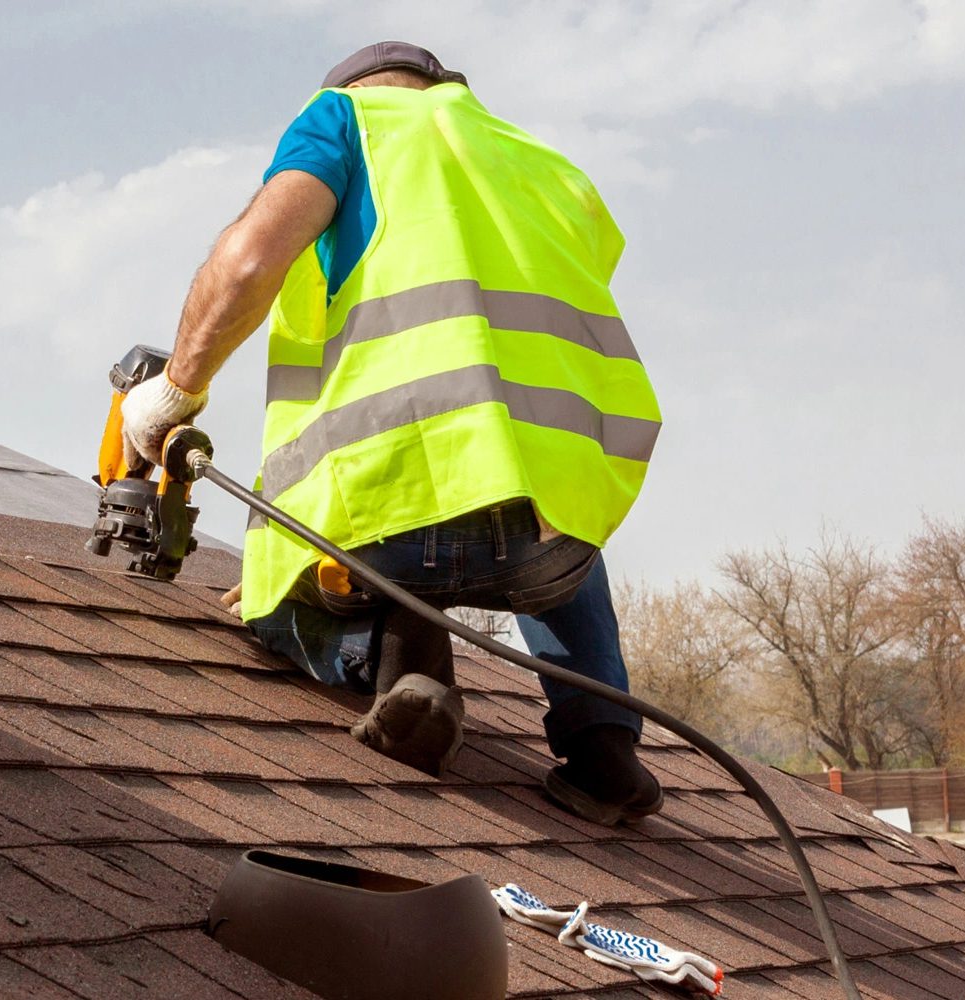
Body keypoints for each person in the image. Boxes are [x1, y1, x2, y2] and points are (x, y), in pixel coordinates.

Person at [120, 42, 662, 825]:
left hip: (394, 521)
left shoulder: (348, 122)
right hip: (557, 531)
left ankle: (404, 662)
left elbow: (246, 265)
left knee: (273, 600)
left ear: (361, 91)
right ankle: (604, 746)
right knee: (549, 517)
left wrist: (174, 392)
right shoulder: (540, 163)